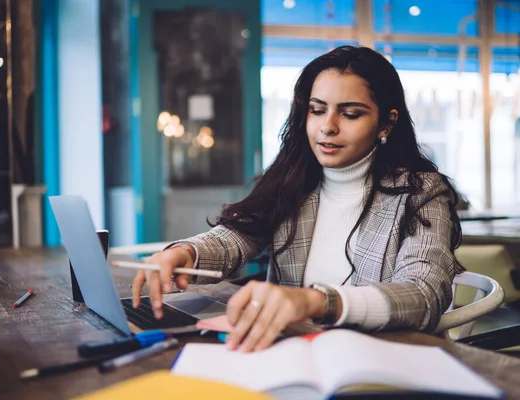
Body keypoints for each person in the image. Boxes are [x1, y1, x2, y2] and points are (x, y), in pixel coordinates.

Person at [132, 45, 463, 353]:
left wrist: (316, 301)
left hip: (382, 359)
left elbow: (424, 294)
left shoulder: (422, 191)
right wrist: (186, 252)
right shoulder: (296, 180)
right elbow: (237, 235)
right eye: (317, 110)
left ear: (386, 122)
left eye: (350, 114)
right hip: (295, 352)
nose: (327, 127)